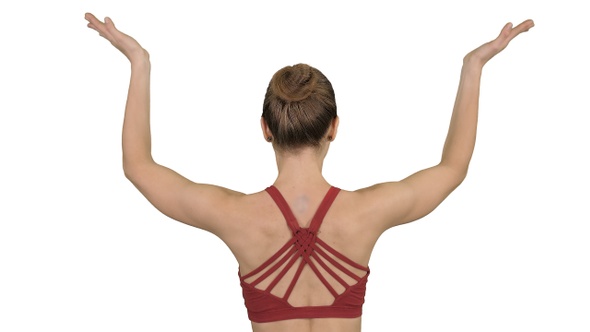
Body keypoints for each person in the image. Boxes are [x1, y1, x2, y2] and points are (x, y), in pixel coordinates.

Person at [84, 13, 534, 332]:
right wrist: (472, 67)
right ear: (334, 129)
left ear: (265, 129)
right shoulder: (367, 211)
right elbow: (453, 168)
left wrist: (139, 62)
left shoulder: (234, 215)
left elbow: (138, 167)